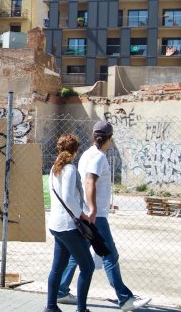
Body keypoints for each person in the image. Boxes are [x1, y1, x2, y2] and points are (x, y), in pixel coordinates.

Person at [56, 121, 151, 311]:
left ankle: (61, 290)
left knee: (78, 255)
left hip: (85, 214)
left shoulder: (86, 155)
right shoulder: (99, 157)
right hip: (95, 216)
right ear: (109, 138)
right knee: (109, 254)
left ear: (93, 136)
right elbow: (90, 181)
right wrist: (93, 209)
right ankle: (124, 298)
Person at [44, 133, 95, 312]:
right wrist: (83, 215)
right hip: (68, 226)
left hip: (55, 224)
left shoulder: (54, 168)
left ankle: (51, 307)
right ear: (75, 150)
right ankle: (81, 309)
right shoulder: (70, 169)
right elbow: (67, 197)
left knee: (57, 267)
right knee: (87, 266)